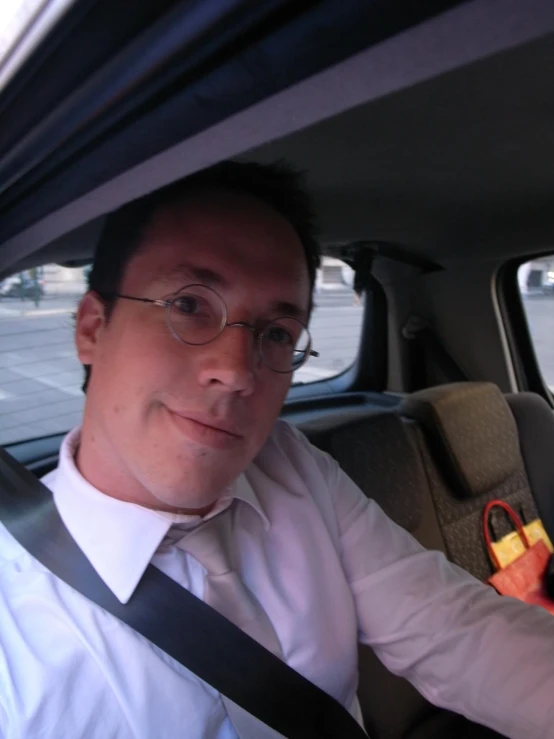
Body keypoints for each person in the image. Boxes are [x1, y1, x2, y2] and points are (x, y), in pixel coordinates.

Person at [0, 161, 553, 739]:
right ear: (92, 327)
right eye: (189, 305)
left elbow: (454, 631)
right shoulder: (15, 637)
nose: (237, 372)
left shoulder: (290, 468)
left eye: (276, 334)